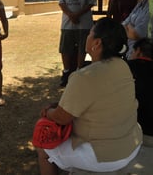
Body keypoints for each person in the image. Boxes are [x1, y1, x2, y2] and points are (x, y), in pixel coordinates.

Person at [36, 17, 142, 174]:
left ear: (97, 43)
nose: (87, 36)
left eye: (90, 33)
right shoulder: (123, 66)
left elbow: (61, 117)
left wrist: (47, 112)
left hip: (103, 155)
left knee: (43, 148)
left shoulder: (84, 77)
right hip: (131, 144)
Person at [58, 0, 96, 86]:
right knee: (65, 48)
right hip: (67, 23)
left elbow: (90, 2)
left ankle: (79, 71)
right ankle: (66, 72)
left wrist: (77, 14)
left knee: (82, 47)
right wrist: (70, 15)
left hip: (83, 23)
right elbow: (61, 2)